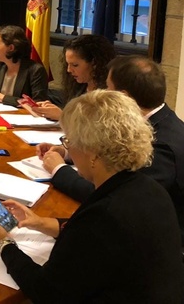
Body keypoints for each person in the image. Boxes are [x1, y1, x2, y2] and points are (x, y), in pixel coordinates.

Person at [0, 90, 184, 303]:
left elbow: (44, 290)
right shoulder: (149, 188)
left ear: (92, 152)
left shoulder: (105, 215)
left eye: (69, 140)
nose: (67, 147)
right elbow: (92, 237)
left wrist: (4, 242)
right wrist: (41, 223)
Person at [38, 55, 184, 245]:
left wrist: (59, 170)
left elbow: (111, 193)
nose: (104, 92)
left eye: (108, 88)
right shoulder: (158, 121)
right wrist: (70, 153)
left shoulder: (162, 146)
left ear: (123, 97)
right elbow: (114, 158)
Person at [31, 34, 115, 121]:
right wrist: (51, 109)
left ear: (94, 63)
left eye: (75, 65)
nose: (69, 70)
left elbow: (100, 125)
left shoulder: (110, 91)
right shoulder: (78, 86)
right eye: (67, 64)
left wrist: (62, 116)